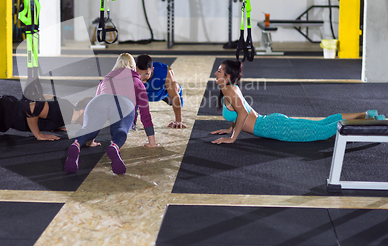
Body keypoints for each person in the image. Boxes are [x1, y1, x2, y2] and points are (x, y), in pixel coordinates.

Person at [210, 59, 385, 144]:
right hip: (272, 122)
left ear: (228, 76)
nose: (216, 73)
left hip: (272, 127)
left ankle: (373, 122)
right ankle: (368, 115)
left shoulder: (229, 90)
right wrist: (229, 128)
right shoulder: (231, 88)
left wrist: (232, 138)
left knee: (322, 132)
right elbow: (239, 113)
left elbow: (242, 114)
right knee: (322, 125)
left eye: (219, 71)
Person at [64, 53, 157, 175]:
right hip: (123, 104)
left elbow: (95, 110)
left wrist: (91, 140)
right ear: (133, 67)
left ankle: (76, 144)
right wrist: (152, 142)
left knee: (89, 128)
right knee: (121, 129)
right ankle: (114, 146)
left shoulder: (105, 80)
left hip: (99, 100)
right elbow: (145, 113)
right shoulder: (137, 81)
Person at [135, 54, 186, 129]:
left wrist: (178, 120)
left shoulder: (165, 72)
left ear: (152, 70)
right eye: (139, 74)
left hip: (162, 93)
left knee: (174, 88)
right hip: (143, 94)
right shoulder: (131, 72)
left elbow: (174, 97)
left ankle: (177, 88)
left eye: (146, 74)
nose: (142, 78)